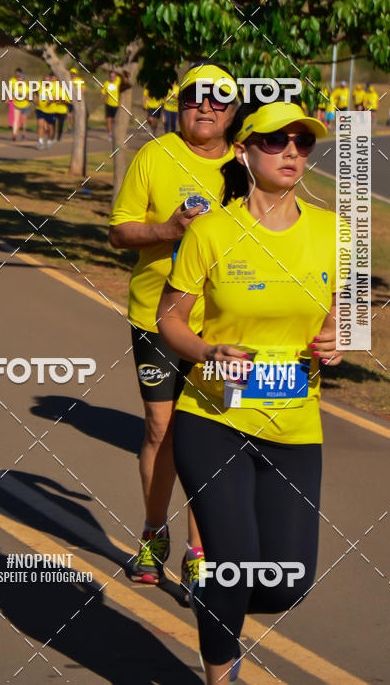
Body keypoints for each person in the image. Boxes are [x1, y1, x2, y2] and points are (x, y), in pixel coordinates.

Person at [157, 96, 341, 685]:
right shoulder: (212, 231)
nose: (291, 151)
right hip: (214, 416)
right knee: (233, 561)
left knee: (287, 581)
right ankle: (220, 673)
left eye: (302, 142)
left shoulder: (334, 232)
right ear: (244, 150)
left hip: (294, 424)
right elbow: (170, 320)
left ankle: (216, 606)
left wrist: (339, 339)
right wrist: (210, 351)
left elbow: (346, 317)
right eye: (274, 141)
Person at [109, 62, 240, 598]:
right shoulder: (154, 155)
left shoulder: (248, 164)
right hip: (158, 317)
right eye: (194, 98)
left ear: (233, 112)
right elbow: (119, 233)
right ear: (180, 104)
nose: (204, 107)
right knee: (161, 432)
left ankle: (200, 551)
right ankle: (153, 531)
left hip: (227, 324)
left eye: (217, 99)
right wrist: (167, 230)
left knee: (208, 437)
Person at [35, 75, 57, 149]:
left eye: (48, 81)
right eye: (45, 80)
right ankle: (40, 142)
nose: (46, 82)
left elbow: (58, 97)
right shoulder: (39, 84)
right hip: (40, 108)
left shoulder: (54, 87)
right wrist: (35, 98)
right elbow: (35, 92)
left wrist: (52, 100)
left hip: (51, 110)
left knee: (51, 128)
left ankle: (49, 141)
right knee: (40, 124)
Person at [10, 68, 30, 141]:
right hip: (17, 105)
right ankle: (14, 134)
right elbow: (12, 94)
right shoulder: (14, 86)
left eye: (21, 78)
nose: (19, 79)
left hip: (25, 105)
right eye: (18, 78)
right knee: (16, 119)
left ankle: (23, 133)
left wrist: (23, 95)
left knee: (23, 121)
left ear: (23, 79)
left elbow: (29, 98)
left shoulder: (27, 87)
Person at [101, 71, 121, 141]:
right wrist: (103, 96)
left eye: (113, 76)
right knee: (108, 120)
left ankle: (117, 134)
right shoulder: (106, 83)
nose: (112, 77)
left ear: (116, 76)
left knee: (115, 121)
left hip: (117, 105)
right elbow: (103, 92)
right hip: (108, 104)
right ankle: (110, 134)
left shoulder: (119, 81)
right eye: (111, 76)